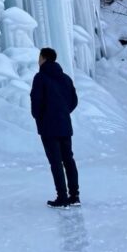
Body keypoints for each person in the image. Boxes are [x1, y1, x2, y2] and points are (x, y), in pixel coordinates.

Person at [30, 47, 80, 208]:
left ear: (43, 58)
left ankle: (62, 198)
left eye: (39, 57)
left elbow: (36, 102)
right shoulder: (65, 78)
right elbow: (73, 101)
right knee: (69, 160)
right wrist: (64, 112)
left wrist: (40, 116)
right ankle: (74, 196)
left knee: (56, 162)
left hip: (48, 127)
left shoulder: (40, 77)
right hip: (64, 125)